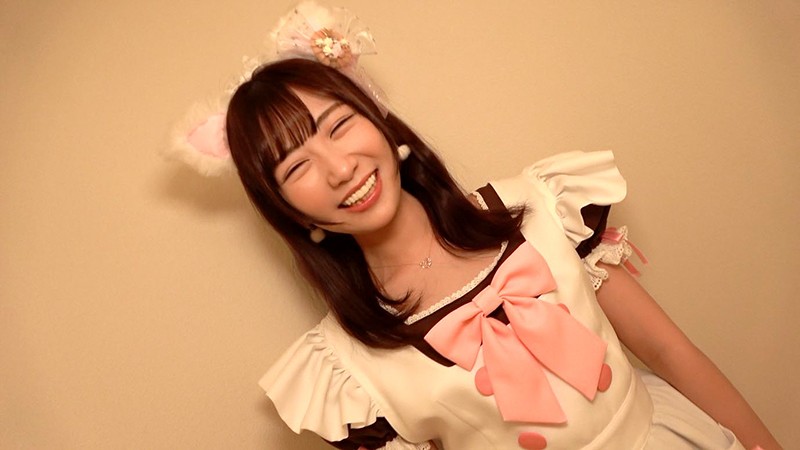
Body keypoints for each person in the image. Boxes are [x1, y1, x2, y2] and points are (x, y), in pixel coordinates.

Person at [169, 3, 781, 449]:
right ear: (288, 210)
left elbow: (670, 351)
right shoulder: (348, 370)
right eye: (297, 166)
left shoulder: (543, 203)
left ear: (377, 116)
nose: (339, 168)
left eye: (338, 125)